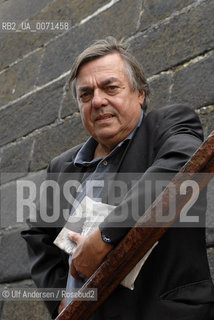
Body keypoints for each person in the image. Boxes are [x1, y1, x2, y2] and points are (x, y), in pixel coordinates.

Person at [21, 37, 214, 320]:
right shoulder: (62, 167)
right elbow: (38, 234)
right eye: (85, 95)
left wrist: (105, 236)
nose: (97, 100)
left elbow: (182, 166)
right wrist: (60, 300)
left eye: (110, 87)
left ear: (139, 93)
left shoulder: (168, 125)